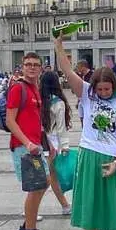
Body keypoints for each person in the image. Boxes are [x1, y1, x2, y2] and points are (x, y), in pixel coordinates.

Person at [55, 35, 116, 230]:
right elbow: (67, 70)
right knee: (91, 206)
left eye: (107, 88)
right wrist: (58, 45)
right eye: (99, 88)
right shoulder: (87, 94)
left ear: (114, 85)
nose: (103, 92)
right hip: (90, 155)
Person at [7, 52, 54, 230]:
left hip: (34, 145)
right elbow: (10, 120)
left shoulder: (34, 89)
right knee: (37, 186)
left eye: (35, 64)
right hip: (24, 147)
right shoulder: (18, 89)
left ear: (41, 68)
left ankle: (28, 223)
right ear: (22, 67)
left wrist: (48, 144)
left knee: (45, 182)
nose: (32, 67)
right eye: (28, 64)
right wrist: (26, 142)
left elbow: (37, 122)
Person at [39, 70, 72, 215]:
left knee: (49, 176)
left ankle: (65, 205)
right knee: (49, 177)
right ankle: (31, 208)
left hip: (37, 140)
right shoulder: (58, 103)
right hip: (51, 142)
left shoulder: (38, 99)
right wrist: (65, 146)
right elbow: (61, 127)